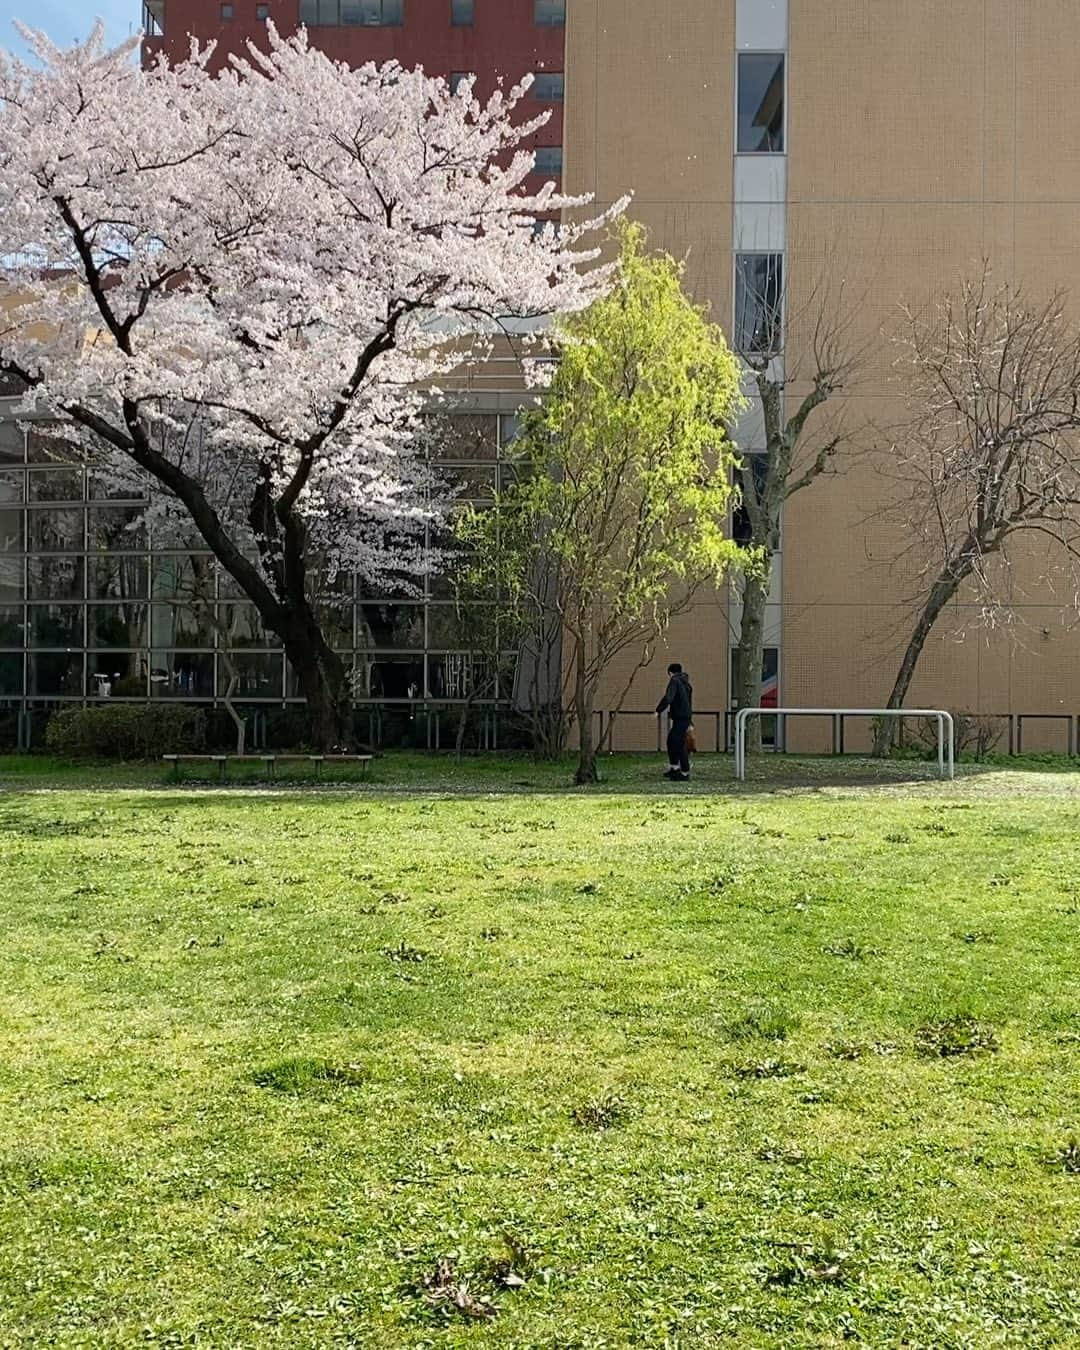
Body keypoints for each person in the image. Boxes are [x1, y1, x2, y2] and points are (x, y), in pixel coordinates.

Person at [656, 662, 693, 781]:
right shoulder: (686, 683)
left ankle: (683, 772)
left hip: (680, 717)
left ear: (670, 673)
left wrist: (658, 710)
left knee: (677, 743)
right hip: (684, 717)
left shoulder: (674, 681)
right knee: (673, 741)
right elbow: (688, 702)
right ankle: (674, 767)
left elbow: (669, 697)